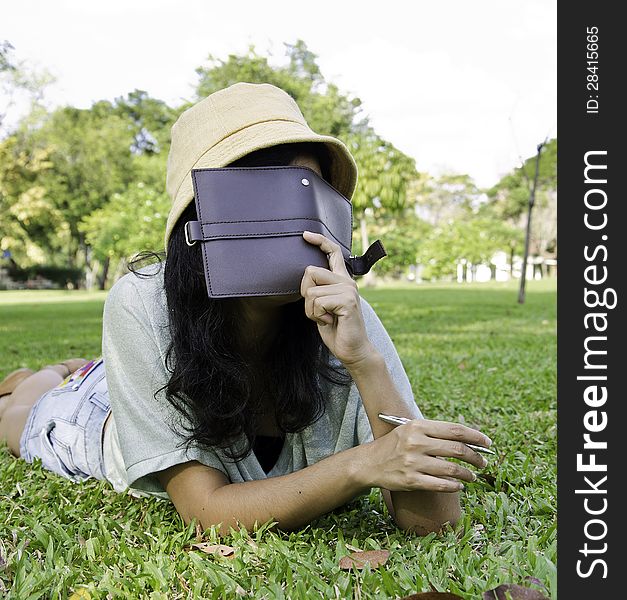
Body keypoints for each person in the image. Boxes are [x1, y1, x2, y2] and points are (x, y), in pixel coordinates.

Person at [0, 82, 492, 536]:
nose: (297, 224)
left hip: (143, 386)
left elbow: (435, 527)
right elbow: (207, 512)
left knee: (95, 378)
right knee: (17, 418)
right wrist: (362, 463)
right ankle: (47, 375)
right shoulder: (142, 302)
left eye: (309, 192)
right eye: (268, 193)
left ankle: (83, 369)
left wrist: (365, 362)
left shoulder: (343, 315)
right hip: (98, 422)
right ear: (204, 216)